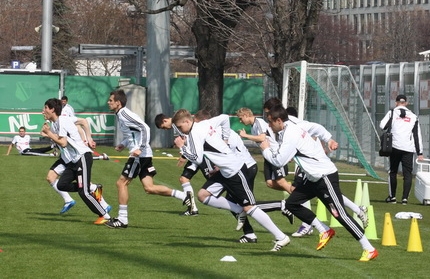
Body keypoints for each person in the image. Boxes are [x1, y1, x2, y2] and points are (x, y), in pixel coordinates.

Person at [261, 104, 378, 261]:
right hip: (312, 178)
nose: (269, 125)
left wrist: (265, 149)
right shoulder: (290, 128)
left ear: (279, 120)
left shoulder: (290, 134)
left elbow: (279, 161)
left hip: (324, 176)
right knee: (291, 204)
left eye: (270, 122)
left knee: (339, 214)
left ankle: (368, 248)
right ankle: (324, 230)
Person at [172, 109, 291, 251]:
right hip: (224, 171)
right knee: (203, 195)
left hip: (235, 170)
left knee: (250, 207)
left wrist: (182, 148)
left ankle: (281, 237)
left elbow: (197, 159)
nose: (180, 131)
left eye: (180, 127)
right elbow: (224, 118)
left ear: (187, 121)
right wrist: (225, 138)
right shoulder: (204, 124)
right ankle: (238, 210)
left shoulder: (194, 134)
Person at [105, 89, 189, 229]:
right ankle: (184, 196)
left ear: (118, 103)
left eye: (111, 101)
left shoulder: (124, 114)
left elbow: (144, 128)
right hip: (144, 155)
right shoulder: (120, 114)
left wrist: (140, 147)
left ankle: (122, 219)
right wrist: (123, 144)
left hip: (139, 156)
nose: (108, 103)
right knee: (149, 188)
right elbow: (133, 133)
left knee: (121, 183)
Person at [40, 98, 111, 223]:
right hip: (73, 160)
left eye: (45, 108)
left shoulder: (62, 121)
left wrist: (49, 133)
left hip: (82, 157)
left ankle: (105, 216)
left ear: (52, 109)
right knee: (62, 185)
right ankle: (90, 188)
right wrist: (49, 133)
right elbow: (81, 123)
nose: (43, 111)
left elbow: (63, 142)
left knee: (83, 193)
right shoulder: (56, 122)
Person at [154, 112, 203, 216]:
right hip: (195, 155)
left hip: (197, 155)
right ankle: (192, 208)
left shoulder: (177, 125)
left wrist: (184, 155)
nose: (165, 129)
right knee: (184, 179)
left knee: (217, 181)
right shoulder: (177, 125)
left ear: (165, 120)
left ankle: (193, 209)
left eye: (164, 127)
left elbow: (190, 140)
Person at [379, 94, 424, 205]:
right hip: (408, 148)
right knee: (407, 174)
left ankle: (392, 197)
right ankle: (405, 199)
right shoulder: (413, 116)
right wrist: (420, 152)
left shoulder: (392, 112)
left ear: (396, 102)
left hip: (394, 146)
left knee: (393, 171)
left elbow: (382, 125)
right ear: (407, 103)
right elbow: (417, 135)